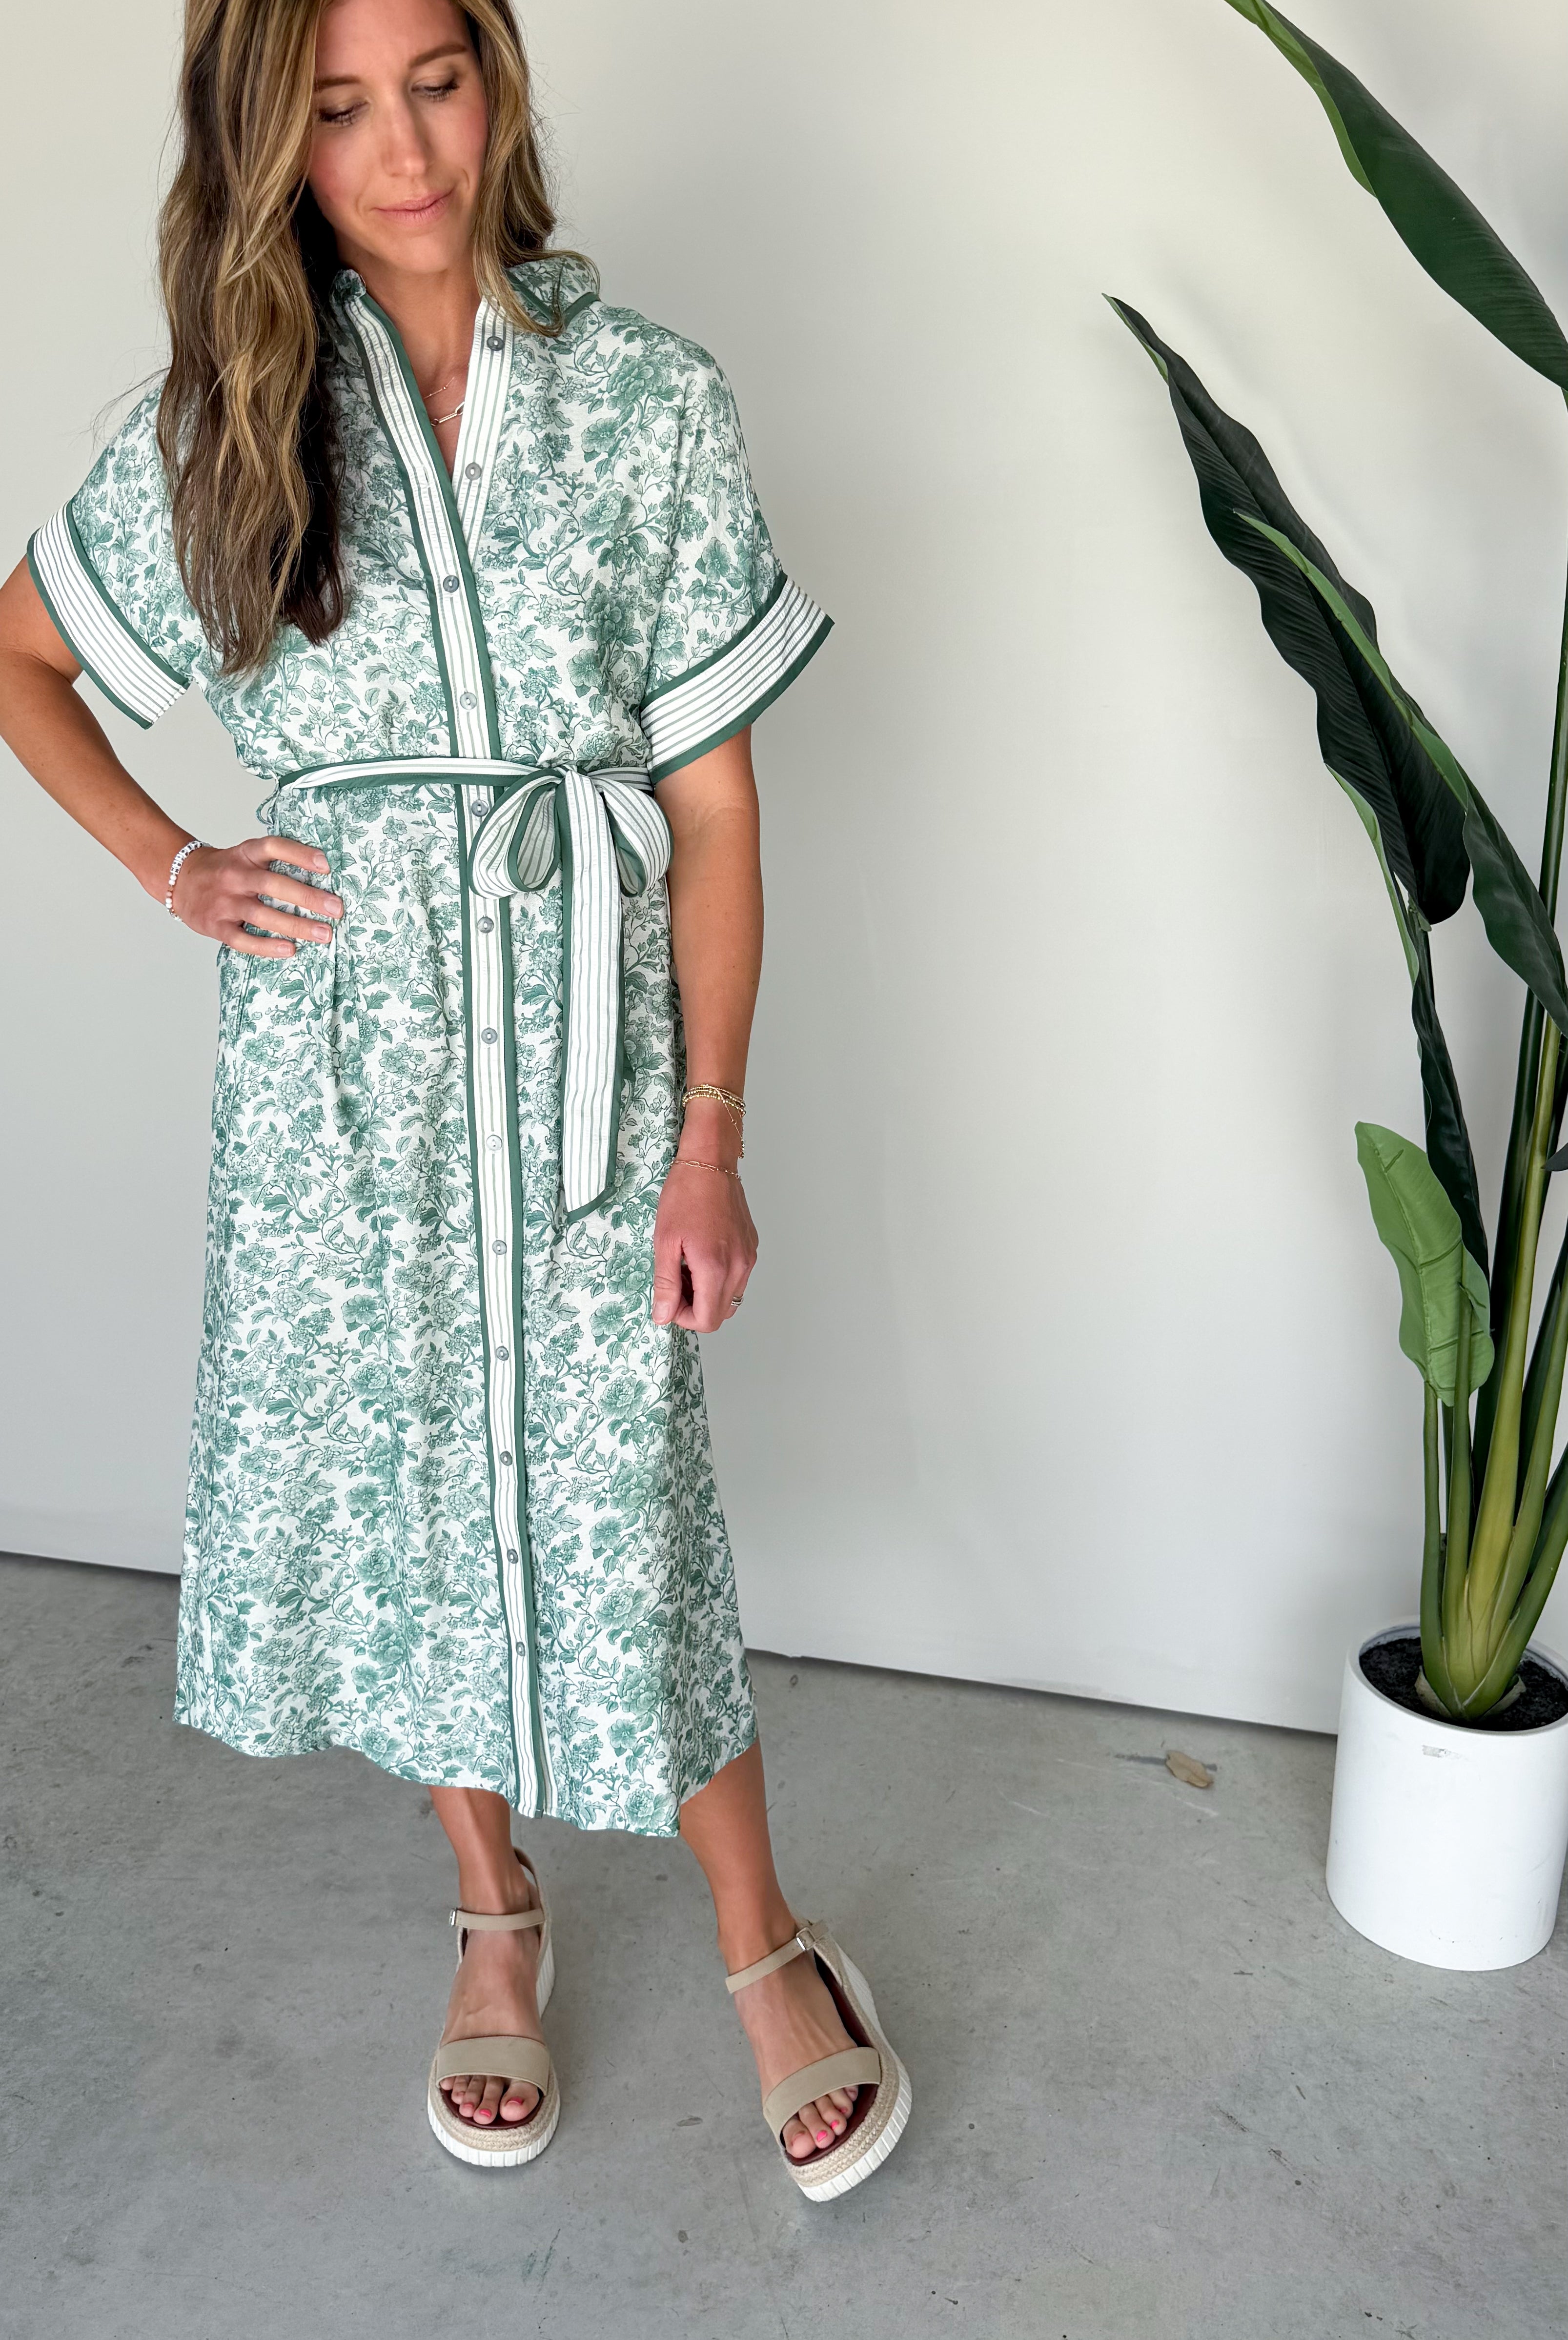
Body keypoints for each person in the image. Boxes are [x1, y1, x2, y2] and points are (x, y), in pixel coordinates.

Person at [0, 0, 910, 2197]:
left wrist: (712, 1133)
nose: (404, 148)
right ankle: (494, 1913)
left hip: (592, 1062)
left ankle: (762, 1936)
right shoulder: (234, 420)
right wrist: (172, 861)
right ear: (275, 144)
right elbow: (20, 655)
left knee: (625, 1494)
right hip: (344, 1080)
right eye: (338, 108)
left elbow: (714, 810)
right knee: (407, 1498)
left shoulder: (650, 400)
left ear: (496, 81)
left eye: (437, 81)